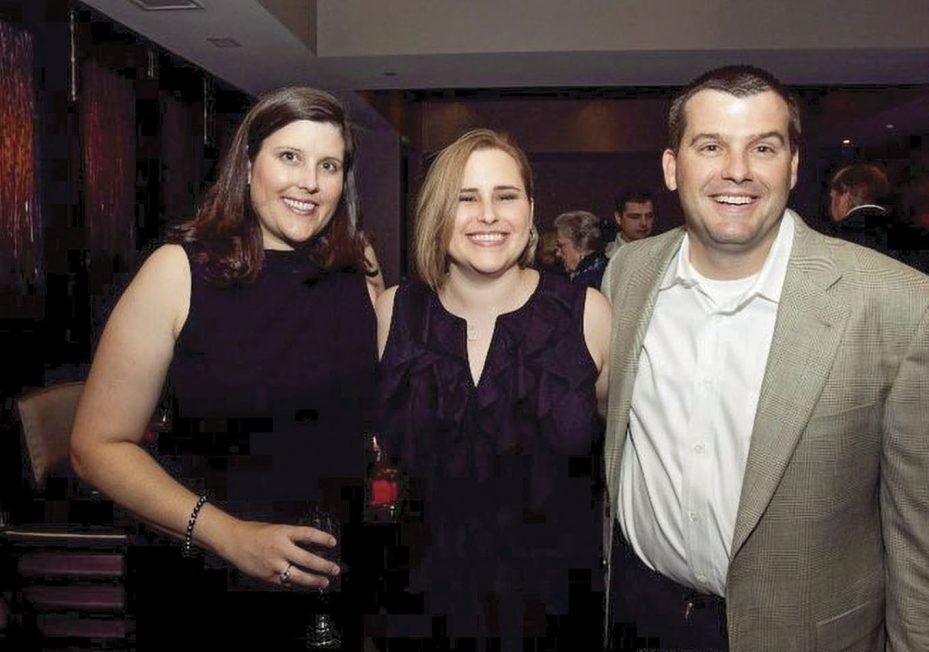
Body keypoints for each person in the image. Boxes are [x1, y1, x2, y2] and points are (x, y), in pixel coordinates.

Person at [602, 65, 929, 651]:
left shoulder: (900, 307)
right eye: (711, 146)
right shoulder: (628, 274)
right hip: (641, 616)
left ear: (794, 166)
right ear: (672, 168)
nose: (738, 170)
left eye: (763, 147)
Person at [69, 87, 379, 648]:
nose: (309, 181)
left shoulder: (359, 269)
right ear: (249, 162)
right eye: (289, 157)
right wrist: (229, 535)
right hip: (209, 584)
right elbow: (96, 448)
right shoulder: (178, 271)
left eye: (328, 164)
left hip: (333, 580)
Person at [374, 128, 610, 648]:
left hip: (554, 613)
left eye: (505, 196)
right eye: (465, 198)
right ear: (437, 213)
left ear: (530, 211)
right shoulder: (394, 311)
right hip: (418, 608)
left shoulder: (587, 313)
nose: (487, 214)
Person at [554, 209, 609, 289]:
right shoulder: (606, 268)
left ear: (580, 244)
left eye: (561, 245)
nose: (558, 254)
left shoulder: (586, 283)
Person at [605, 187, 655, 259]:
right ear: (618, 218)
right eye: (635, 217)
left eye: (649, 216)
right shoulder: (604, 257)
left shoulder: (664, 252)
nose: (644, 223)